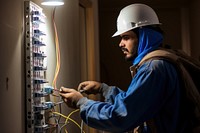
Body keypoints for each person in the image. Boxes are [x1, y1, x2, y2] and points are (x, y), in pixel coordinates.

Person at [59, 3, 193, 133]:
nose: (120, 44)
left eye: (126, 37)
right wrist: (103, 89)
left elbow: (121, 117)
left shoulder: (153, 69)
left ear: (144, 36)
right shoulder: (161, 61)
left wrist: (81, 102)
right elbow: (136, 103)